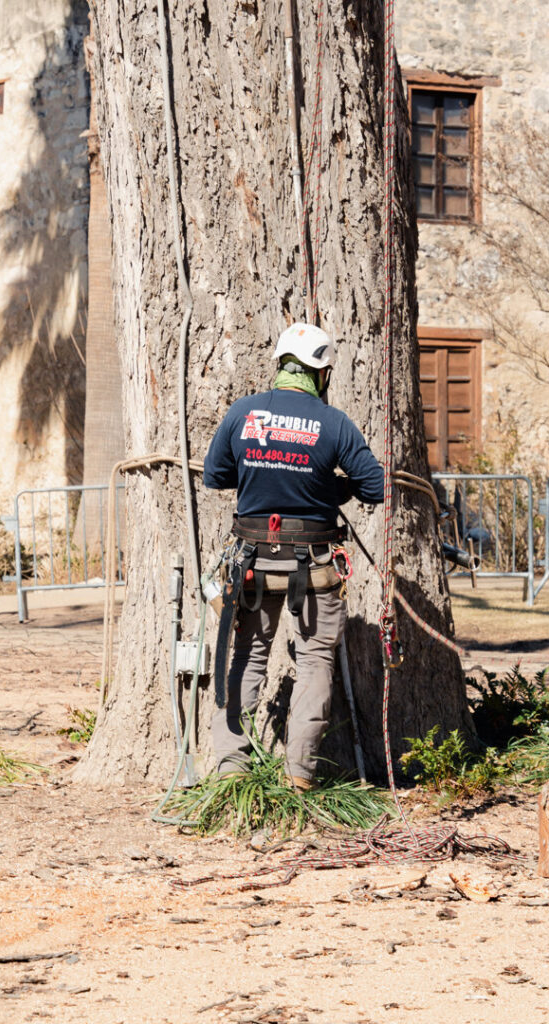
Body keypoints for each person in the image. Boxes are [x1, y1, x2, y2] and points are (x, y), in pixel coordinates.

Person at [203, 322, 384, 788]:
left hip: (253, 561)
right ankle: (299, 773)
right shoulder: (333, 423)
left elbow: (215, 475)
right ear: (322, 373)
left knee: (247, 656)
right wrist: (327, 485)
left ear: (282, 365)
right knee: (315, 660)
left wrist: (264, 473)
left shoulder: (243, 413)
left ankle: (231, 769)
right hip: (315, 563)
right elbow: (374, 486)